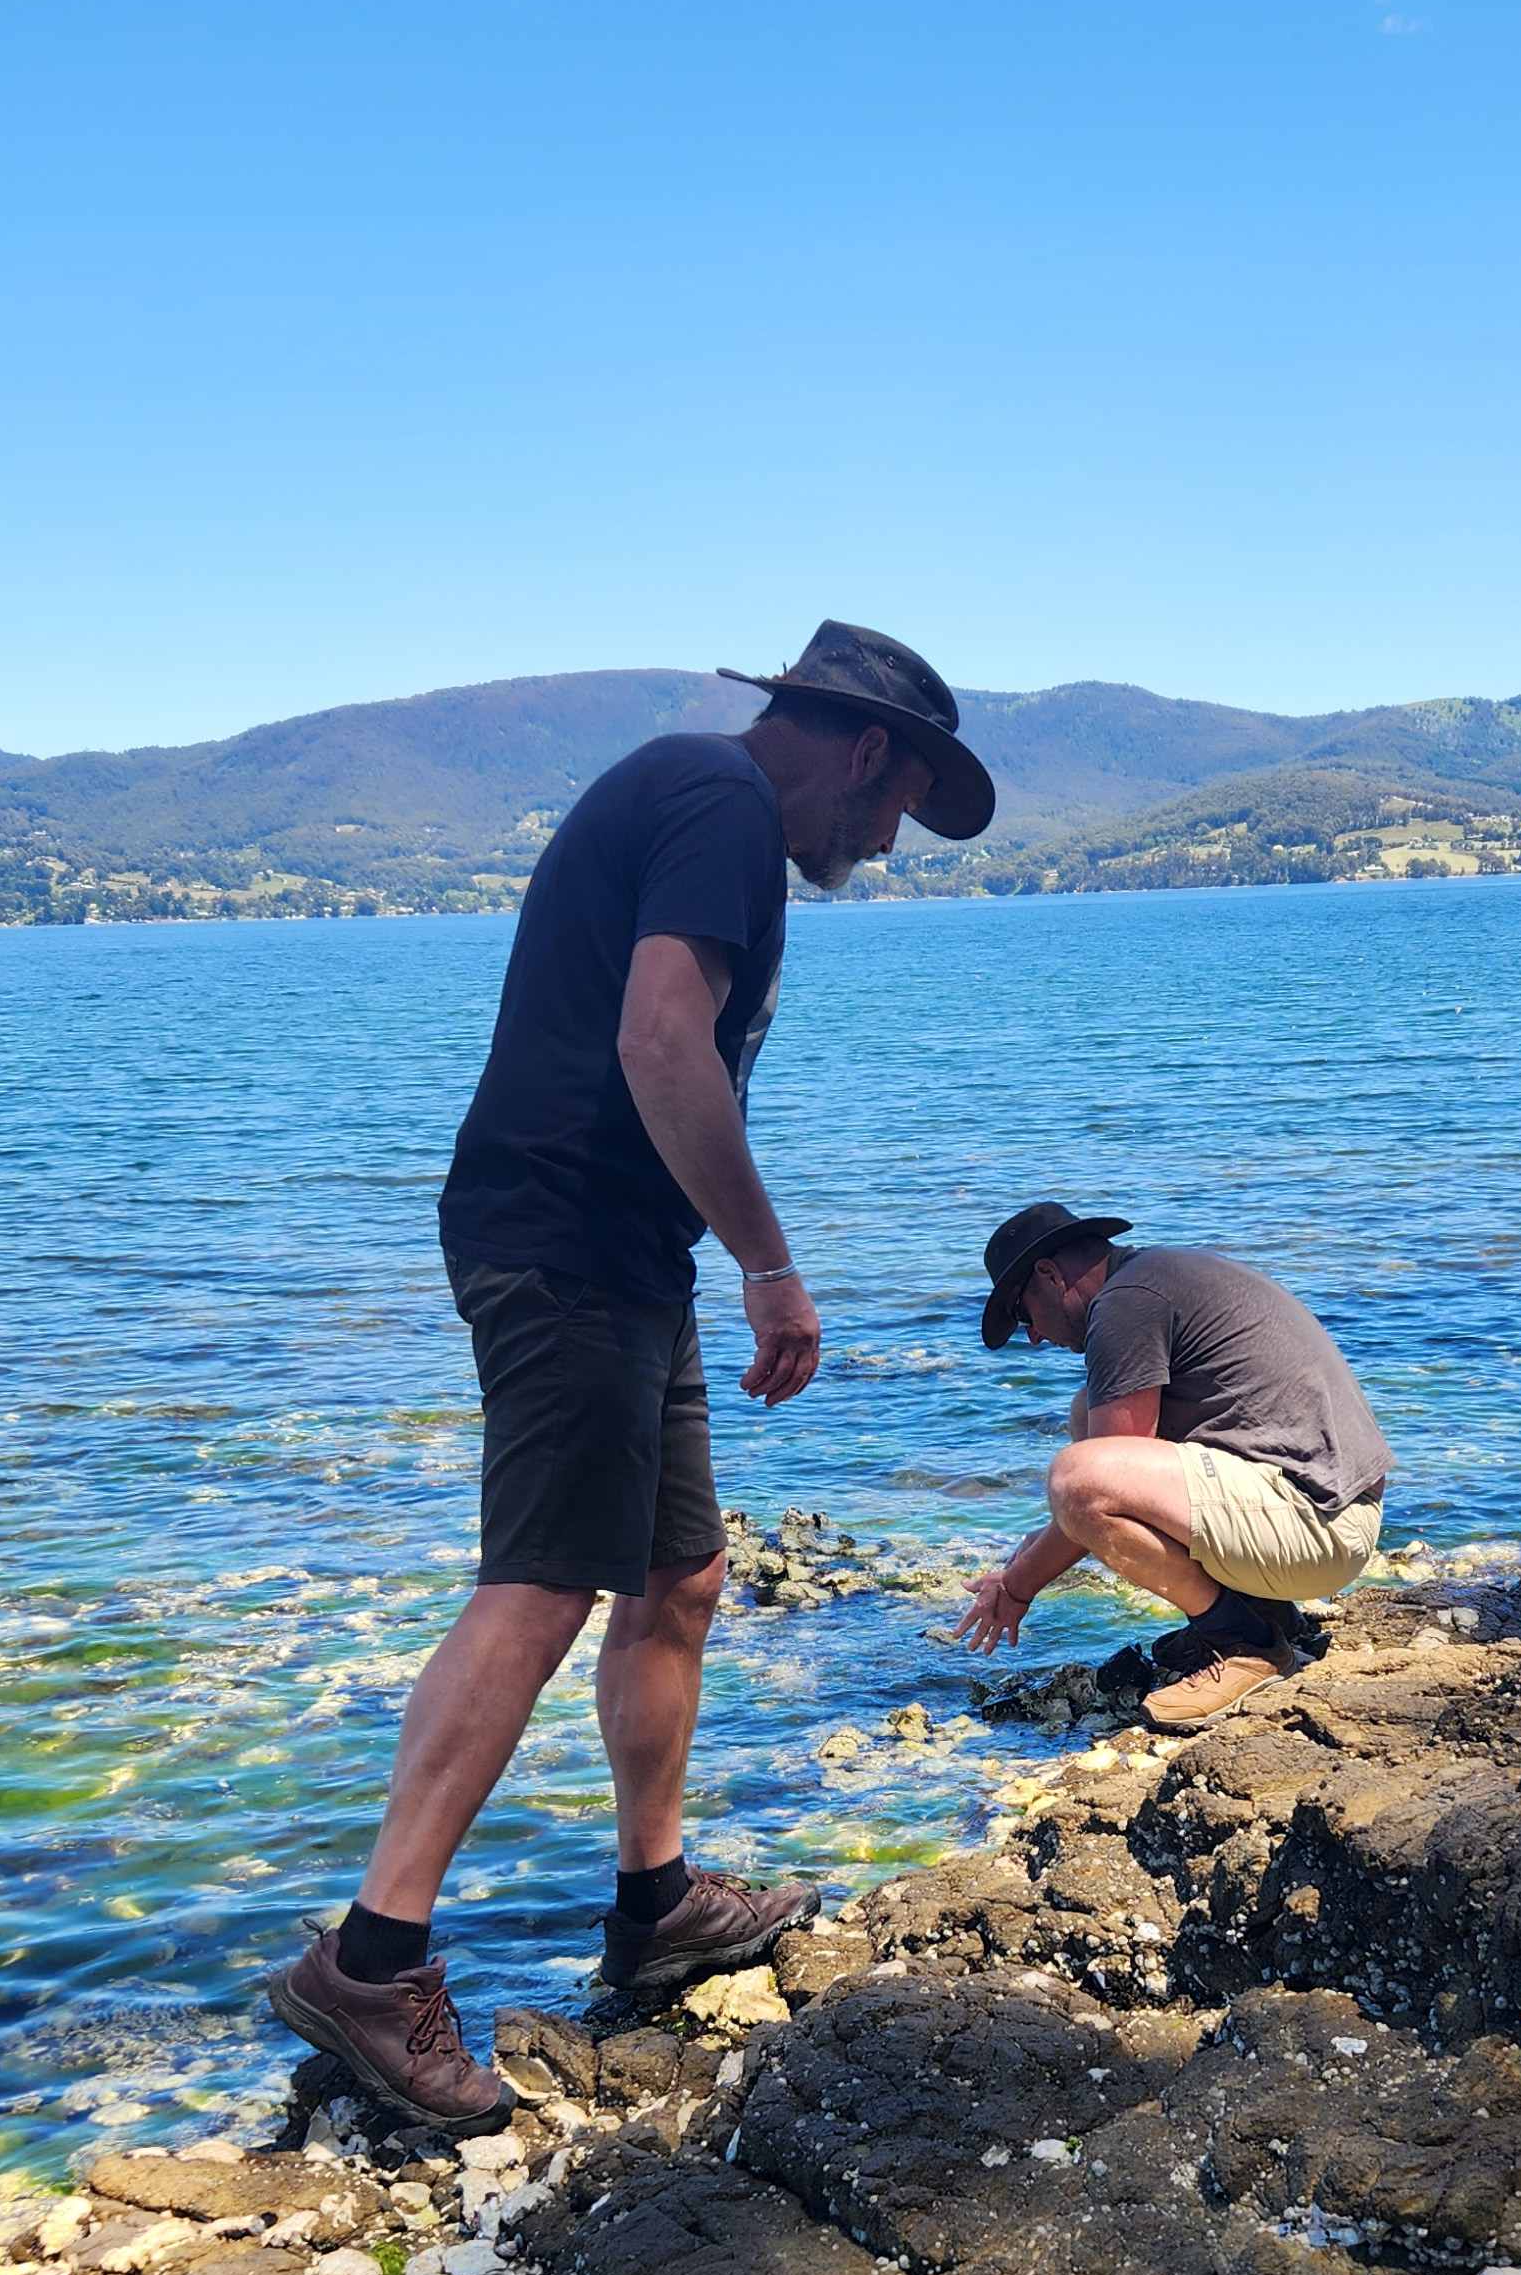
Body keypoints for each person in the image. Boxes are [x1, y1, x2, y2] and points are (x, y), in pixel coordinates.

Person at [269, 624, 996, 2123]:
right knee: (540, 1584)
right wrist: (772, 1262)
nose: (883, 843)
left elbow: (670, 1059)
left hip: (619, 1250)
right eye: (895, 809)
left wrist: (712, 1254)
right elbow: (665, 1041)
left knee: (679, 1576)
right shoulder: (721, 807)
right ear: (864, 752)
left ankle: (654, 1901)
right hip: (568, 1239)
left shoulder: (688, 801)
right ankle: (373, 1957)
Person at [956, 1202, 1391, 1728]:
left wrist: (1018, 1585)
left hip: (1315, 1531)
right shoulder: (1155, 1276)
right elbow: (1122, 1471)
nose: (1033, 1336)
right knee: (1086, 1416)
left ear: (1049, 1274)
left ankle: (1242, 1646)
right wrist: (1034, 1548)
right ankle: (1264, 1613)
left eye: (1024, 1313)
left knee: (1078, 1476)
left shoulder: (1125, 1305)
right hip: (1326, 1513)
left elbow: (1098, 1486)